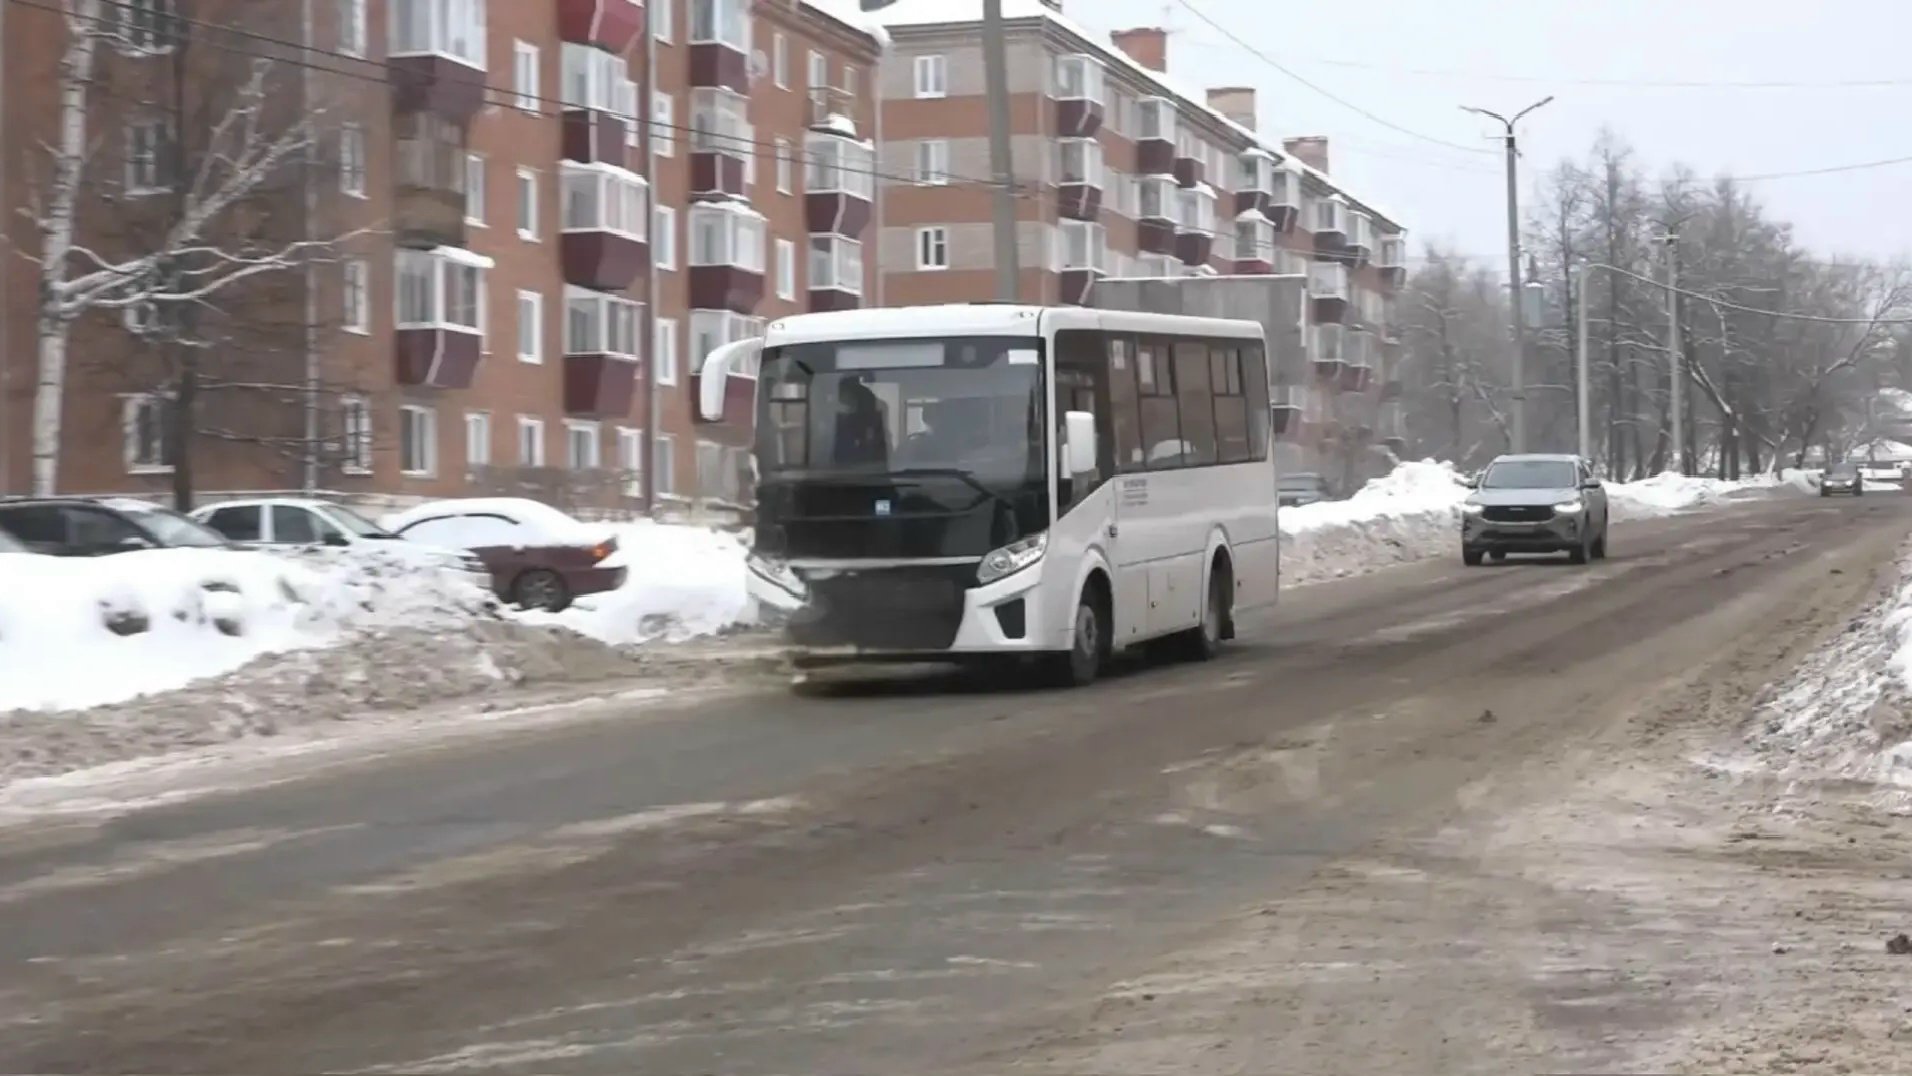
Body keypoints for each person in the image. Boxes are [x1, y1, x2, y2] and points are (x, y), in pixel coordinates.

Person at [833, 378, 889, 467]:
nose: (841, 401)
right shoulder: (842, 422)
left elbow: (879, 459)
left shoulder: (872, 423)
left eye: (844, 395)